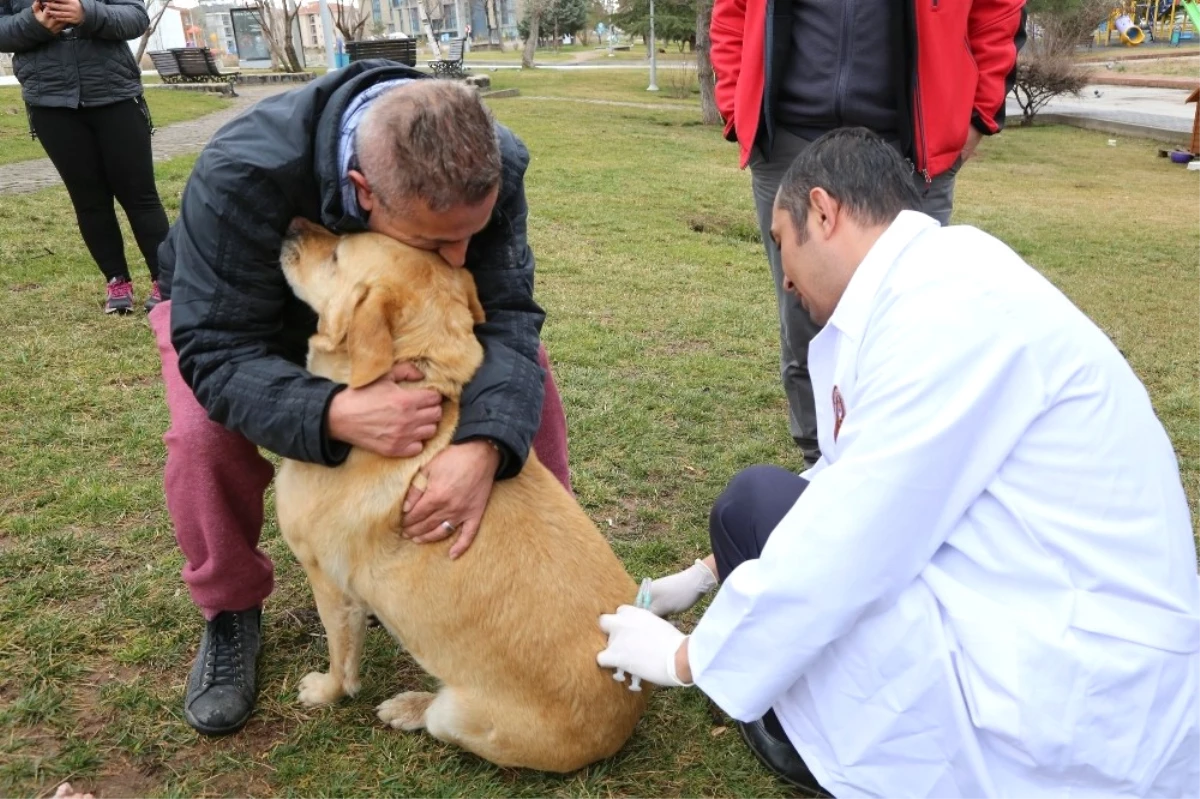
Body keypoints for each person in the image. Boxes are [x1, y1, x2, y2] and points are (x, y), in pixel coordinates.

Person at [598, 129, 1200, 798]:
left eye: (780, 241)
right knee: (755, 509)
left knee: (761, 509)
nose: (784, 275)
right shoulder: (937, 280)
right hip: (1043, 605)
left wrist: (684, 657)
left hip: (1075, 692)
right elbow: (862, 472)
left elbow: (851, 539)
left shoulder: (947, 309)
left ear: (823, 212)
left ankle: (804, 736)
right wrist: (705, 575)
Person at [150, 65, 573, 736]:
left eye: (472, 232)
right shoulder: (241, 175)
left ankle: (549, 569)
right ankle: (230, 610)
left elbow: (508, 314)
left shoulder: (494, 161)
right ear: (362, 192)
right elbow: (216, 349)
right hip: (237, 316)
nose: (460, 256)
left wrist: (484, 446)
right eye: (436, 242)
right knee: (203, 436)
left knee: (528, 381)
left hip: (379, 311)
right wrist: (331, 412)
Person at [709, 0, 1027, 467]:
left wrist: (977, 117)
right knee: (806, 319)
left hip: (910, 143)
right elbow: (731, 13)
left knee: (912, 321)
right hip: (789, 138)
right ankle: (820, 462)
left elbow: (998, 13)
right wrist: (739, 109)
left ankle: (900, 464)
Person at [0, 0, 169, 314]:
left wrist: (86, 14)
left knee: (140, 196)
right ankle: (117, 281)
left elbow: (135, 17)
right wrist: (34, 24)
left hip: (115, 94)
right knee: (88, 200)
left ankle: (166, 280)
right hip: (50, 103)